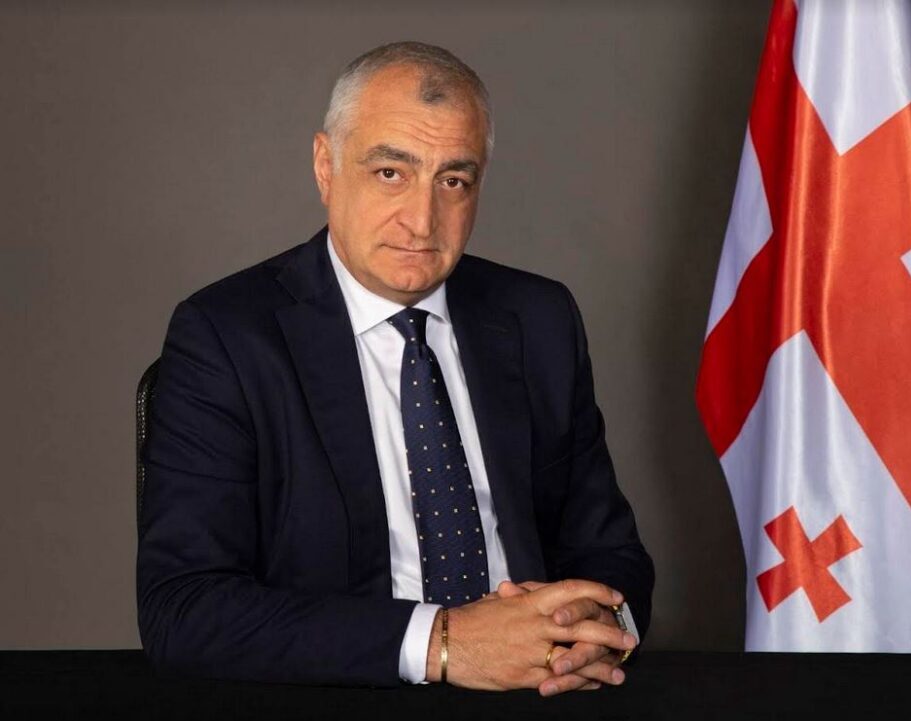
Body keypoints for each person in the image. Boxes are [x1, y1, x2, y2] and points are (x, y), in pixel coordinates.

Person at [136, 41, 654, 697]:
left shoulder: (538, 319)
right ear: (326, 166)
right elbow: (184, 609)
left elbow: (610, 552)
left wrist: (589, 626)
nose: (421, 221)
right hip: (348, 693)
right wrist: (445, 643)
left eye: (452, 181)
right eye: (390, 173)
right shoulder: (226, 336)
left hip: (539, 690)